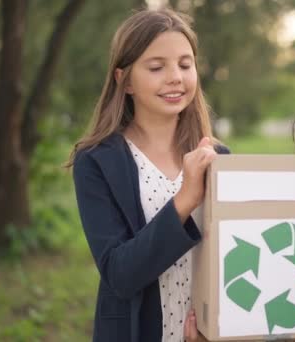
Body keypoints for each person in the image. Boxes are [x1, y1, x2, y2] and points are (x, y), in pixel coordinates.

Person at [67, 9, 227, 342]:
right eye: (156, 67)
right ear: (123, 80)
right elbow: (120, 274)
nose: (175, 78)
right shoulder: (96, 162)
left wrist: (216, 328)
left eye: (185, 65)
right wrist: (185, 199)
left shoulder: (218, 158)